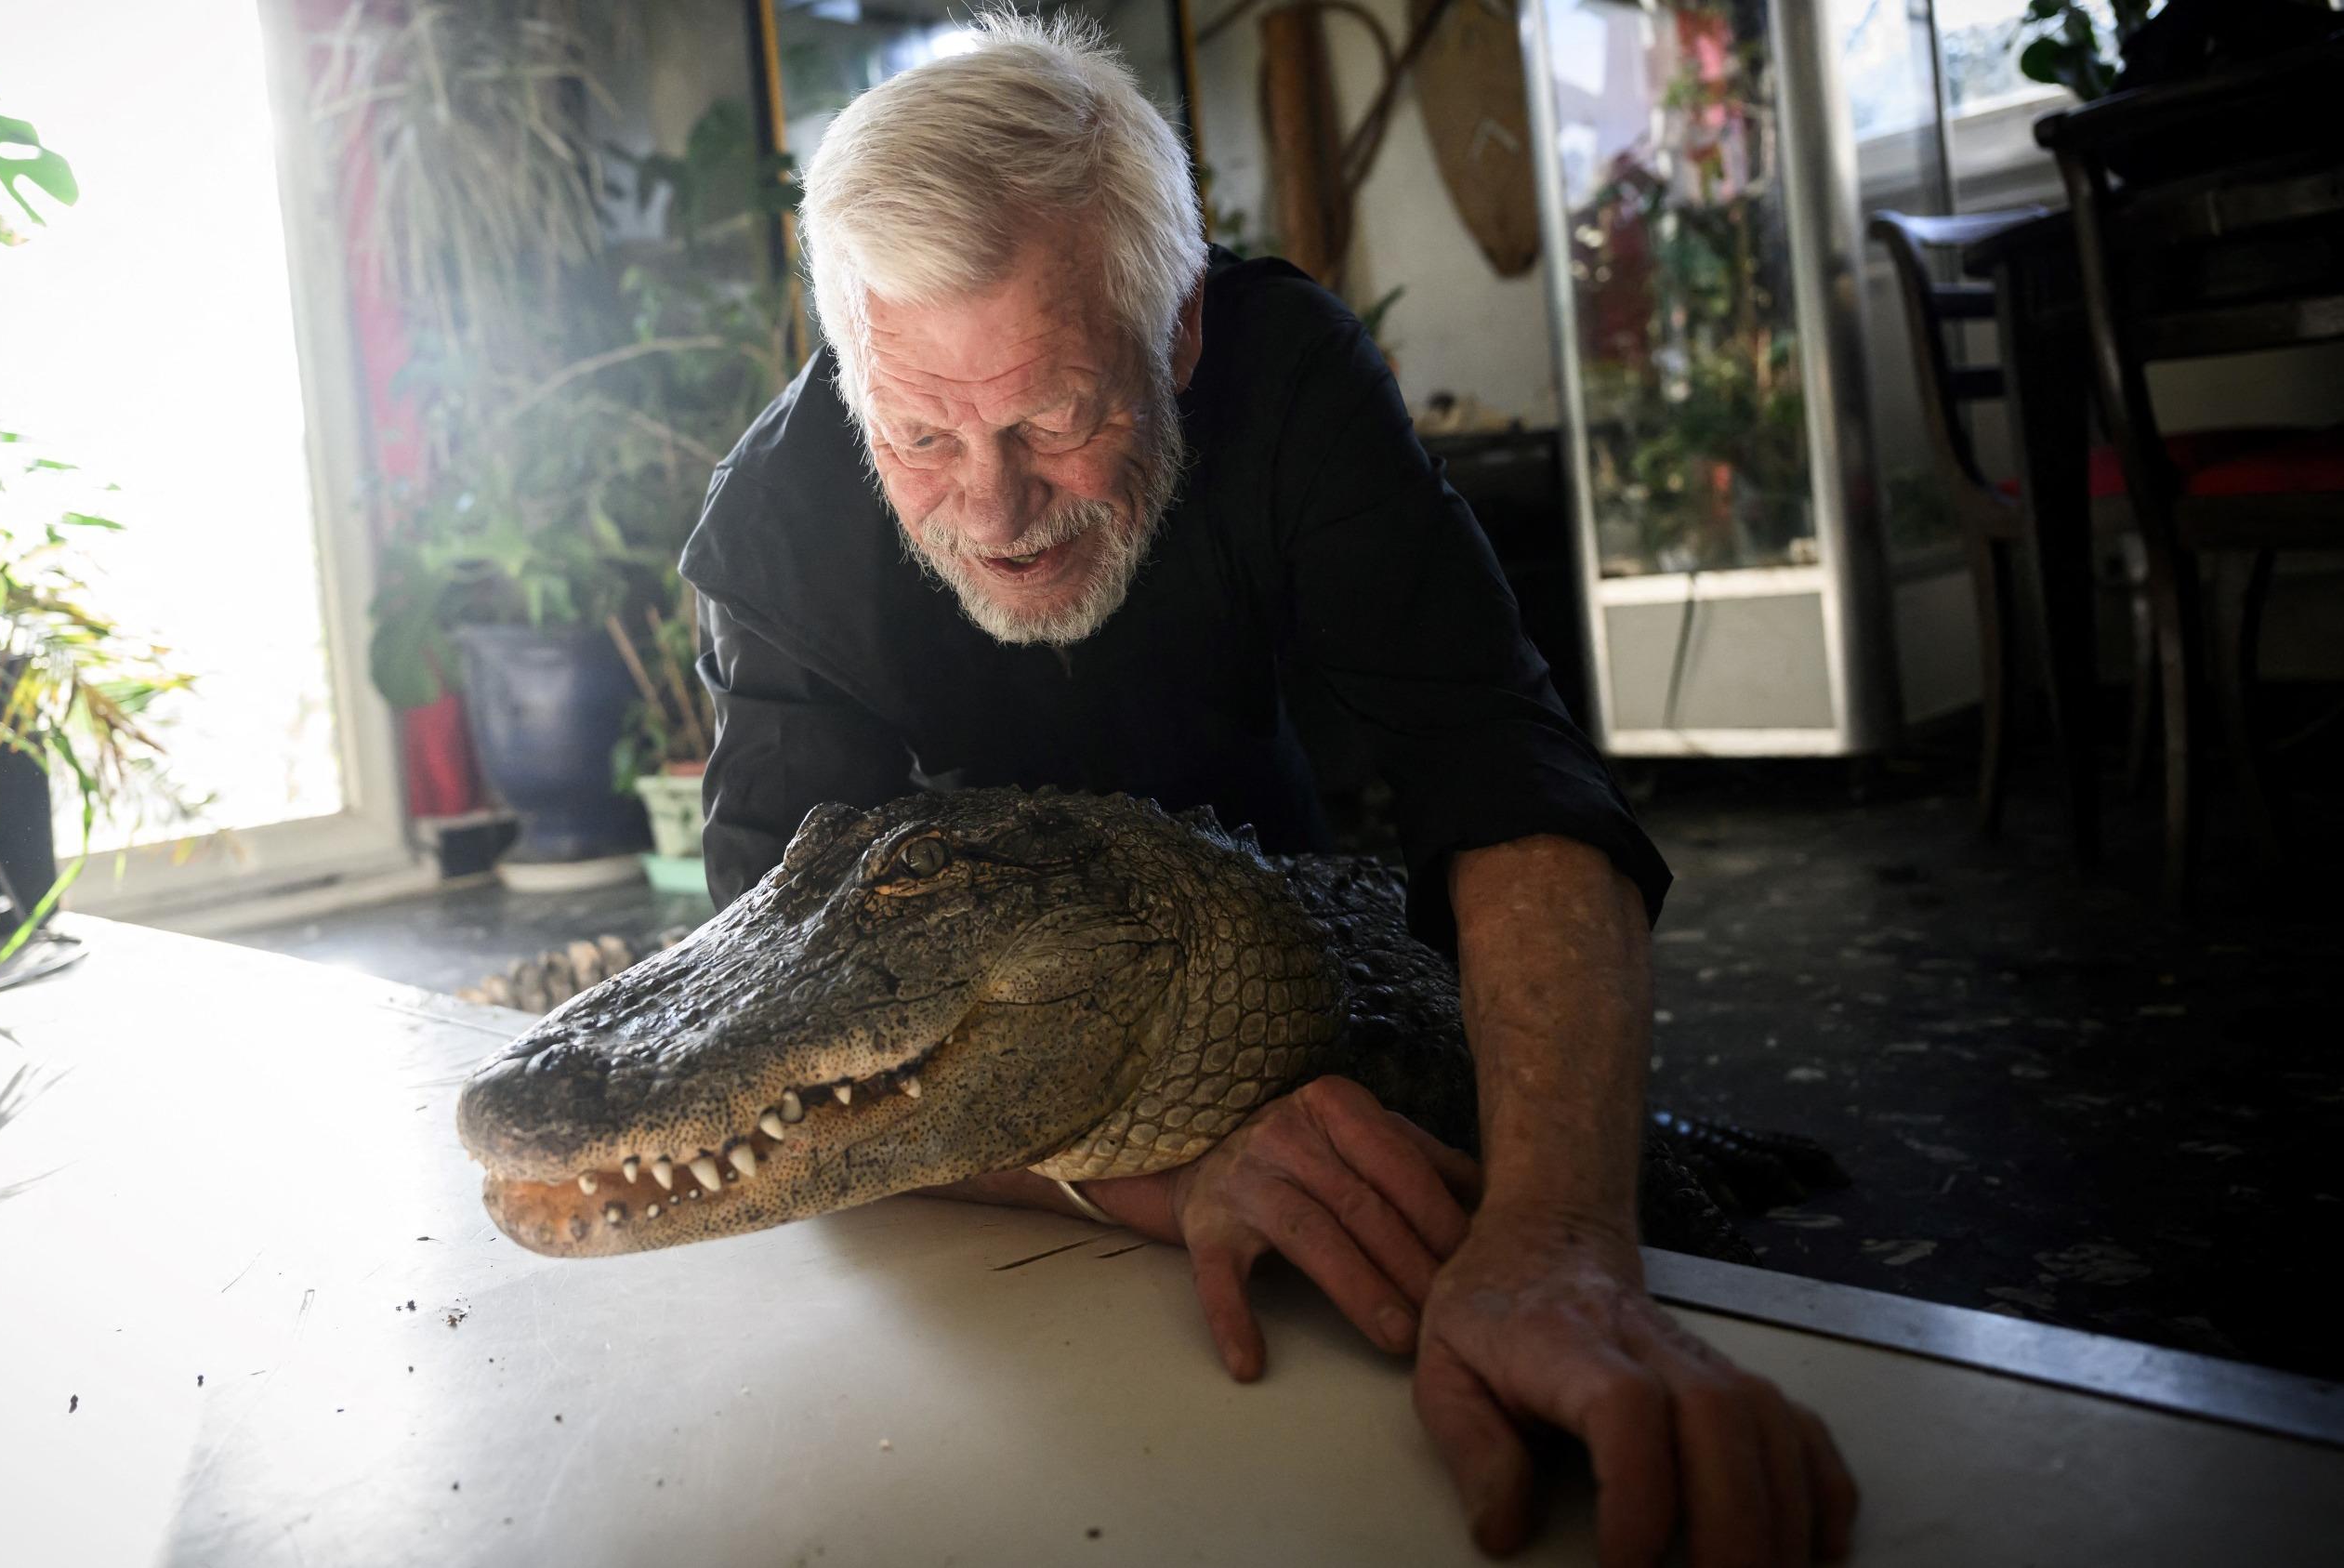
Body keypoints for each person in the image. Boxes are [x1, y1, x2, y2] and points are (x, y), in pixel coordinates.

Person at [676, 15, 1855, 1566]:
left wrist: (1561, 1242)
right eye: (921, 436)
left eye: (1054, 418)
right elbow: (784, 1025)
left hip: (1277, 915)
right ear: (855, 385)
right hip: (969, 1020)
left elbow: (1500, 769)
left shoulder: (1283, 366)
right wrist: (1155, 1183)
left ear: (1174, 336)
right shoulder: (780, 524)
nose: (998, 510)